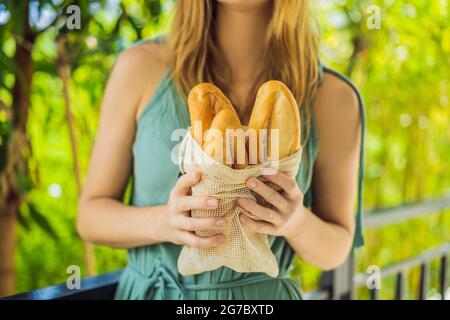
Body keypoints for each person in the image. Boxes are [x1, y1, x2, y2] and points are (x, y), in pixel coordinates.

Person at [77, 0, 365, 300]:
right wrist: (163, 223)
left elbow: (336, 249)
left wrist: (295, 222)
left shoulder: (335, 98)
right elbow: (90, 217)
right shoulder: (139, 68)